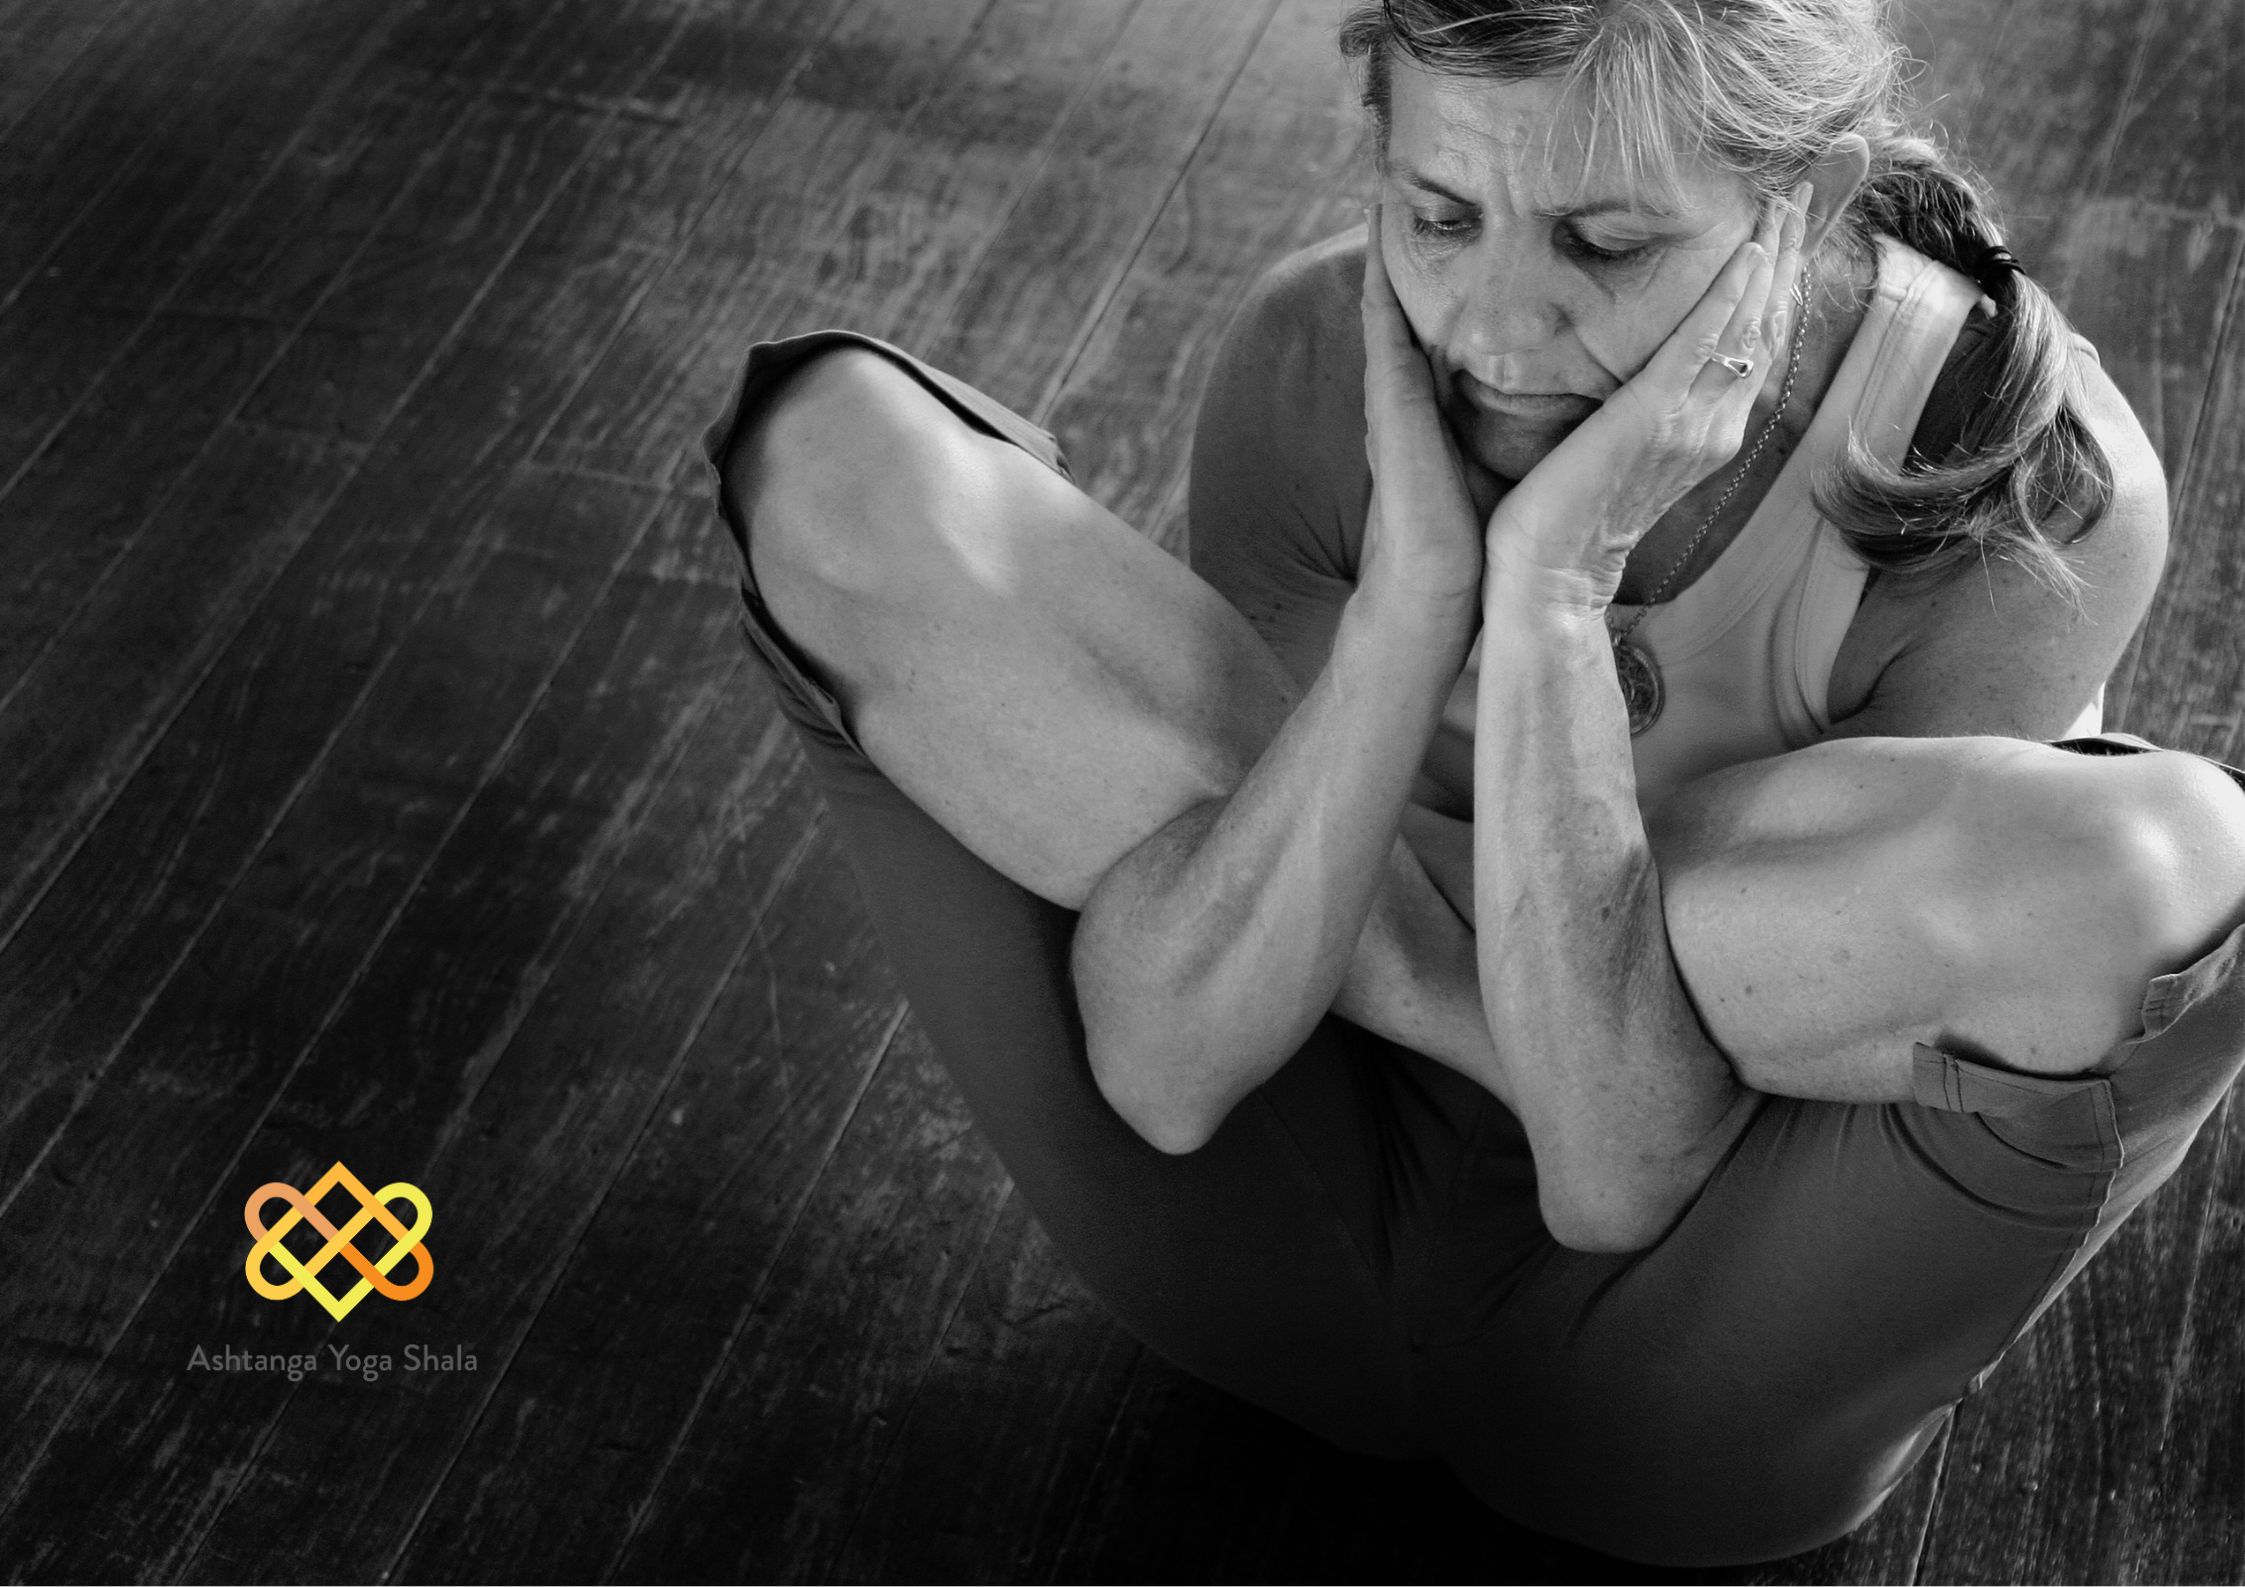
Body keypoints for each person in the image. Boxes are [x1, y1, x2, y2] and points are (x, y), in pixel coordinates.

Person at [705, 0, 2245, 1565]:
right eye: (1440, 215)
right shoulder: (1319, 356)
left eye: (1604, 243)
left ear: (1808, 194)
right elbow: (1173, 1065)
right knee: (832, 452)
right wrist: (1409, 608)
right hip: (1262, 1239)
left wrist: (1559, 589)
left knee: (2160, 868)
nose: (1494, 332)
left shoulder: (2028, 482)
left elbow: (1621, 1171)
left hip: (1688, 1370)